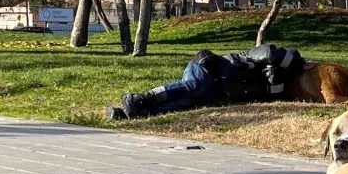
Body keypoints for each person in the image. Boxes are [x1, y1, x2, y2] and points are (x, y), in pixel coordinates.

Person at [107, 44, 304, 120]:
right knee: (194, 86)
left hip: (216, 90)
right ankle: (139, 98)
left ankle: (129, 113)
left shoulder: (272, 86)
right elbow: (270, 54)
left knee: (186, 102)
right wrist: (296, 63)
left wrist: (276, 85)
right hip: (207, 66)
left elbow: (273, 97)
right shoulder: (257, 56)